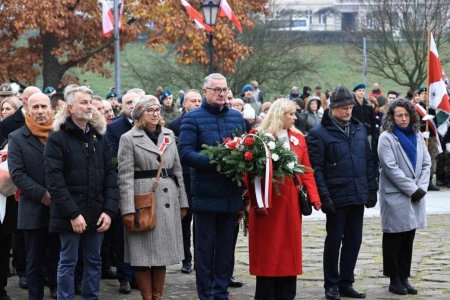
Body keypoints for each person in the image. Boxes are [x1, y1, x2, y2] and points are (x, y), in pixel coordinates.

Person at [44, 84, 118, 299]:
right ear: (70, 107)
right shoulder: (57, 138)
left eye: (90, 102)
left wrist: (109, 210)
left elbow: (111, 175)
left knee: (94, 261)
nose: (89, 107)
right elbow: (55, 181)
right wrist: (73, 214)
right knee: (68, 261)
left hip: (97, 212)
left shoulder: (99, 137)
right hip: (69, 214)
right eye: (83, 102)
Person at [179, 73, 246, 300]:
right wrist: (215, 161)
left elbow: (245, 147)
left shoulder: (237, 118)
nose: (221, 93)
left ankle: (221, 291)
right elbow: (185, 153)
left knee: (226, 249)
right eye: (216, 89)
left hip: (230, 194)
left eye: (224, 89)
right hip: (206, 195)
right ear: (205, 91)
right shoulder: (192, 119)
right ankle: (206, 294)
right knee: (205, 250)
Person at [307, 85, 378, 300]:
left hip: (357, 194)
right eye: (344, 108)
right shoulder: (319, 134)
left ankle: (347, 282)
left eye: (350, 107)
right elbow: (316, 169)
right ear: (332, 108)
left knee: (354, 240)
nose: (349, 111)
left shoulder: (359, 129)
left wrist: (371, 188)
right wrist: (324, 196)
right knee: (334, 241)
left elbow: (368, 160)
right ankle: (332, 284)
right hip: (336, 196)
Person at [246, 98, 321, 300]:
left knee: (289, 250)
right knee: (267, 252)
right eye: (291, 114)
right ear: (280, 115)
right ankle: (266, 294)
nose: (295, 117)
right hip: (266, 203)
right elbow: (249, 173)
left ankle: (287, 293)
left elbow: (306, 170)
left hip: (290, 203)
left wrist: (314, 197)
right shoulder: (257, 137)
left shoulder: (298, 138)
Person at [117, 97, 188, 300]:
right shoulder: (128, 138)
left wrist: (183, 202)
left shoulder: (168, 134)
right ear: (140, 115)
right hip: (143, 199)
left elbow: (178, 171)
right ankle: (147, 297)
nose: (156, 114)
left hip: (168, 197)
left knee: (162, 254)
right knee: (141, 256)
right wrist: (128, 209)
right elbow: (124, 176)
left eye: (157, 110)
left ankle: (158, 296)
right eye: (150, 110)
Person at [8, 93, 59, 300]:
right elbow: (17, 173)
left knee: (58, 256)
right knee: (34, 261)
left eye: (43, 107)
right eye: (35, 107)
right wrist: (43, 195)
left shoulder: (60, 134)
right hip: (33, 209)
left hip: (61, 207)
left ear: (51, 109)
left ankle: (57, 290)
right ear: (27, 109)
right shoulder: (17, 137)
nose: (40, 111)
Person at [377, 99, 431, 296]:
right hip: (396, 196)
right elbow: (390, 168)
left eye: (406, 115)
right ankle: (394, 278)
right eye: (399, 115)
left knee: (409, 237)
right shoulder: (386, 137)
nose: (403, 118)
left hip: (416, 195)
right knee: (394, 238)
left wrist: (421, 187)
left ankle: (405, 276)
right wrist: (412, 189)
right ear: (392, 117)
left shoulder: (417, 136)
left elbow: (426, 162)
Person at [105, 91, 141, 294]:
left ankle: (140, 273)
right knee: (123, 235)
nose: (132, 105)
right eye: (128, 102)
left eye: (136, 102)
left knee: (143, 232)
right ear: (121, 105)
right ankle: (124, 276)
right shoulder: (114, 128)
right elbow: (113, 160)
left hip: (146, 188)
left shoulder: (151, 127)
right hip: (124, 186)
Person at [167, 89, 202, 274]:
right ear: (184, 104)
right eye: (193, 101)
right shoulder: (174, 125)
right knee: (184, 220)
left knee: (200, 222)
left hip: (201, 176)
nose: (197, 103)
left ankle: (200, 259)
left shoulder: (205, 121)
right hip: (183, 178)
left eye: (199, 100)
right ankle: (185, 259)